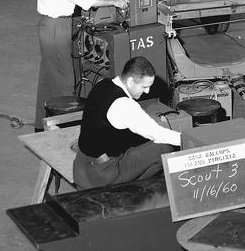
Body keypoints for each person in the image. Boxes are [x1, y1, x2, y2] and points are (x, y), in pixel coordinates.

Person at [34, 0, 128, 131]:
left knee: (47, 80)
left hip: (48, 27)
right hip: (56, 30)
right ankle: (70, 132)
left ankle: (41, 126)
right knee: (65, 83)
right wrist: (115, 2)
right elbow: (83, 0)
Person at [73, 55, 184, 190]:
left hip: (81, 165)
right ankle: (126, 191)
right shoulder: (124, 105)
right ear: (131, 81)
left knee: (141, 143)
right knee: (165, 148)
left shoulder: (103, 84)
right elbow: (157, 133)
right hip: (100, 175)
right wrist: (189, 140)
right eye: (144, 86)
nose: (147, 91)